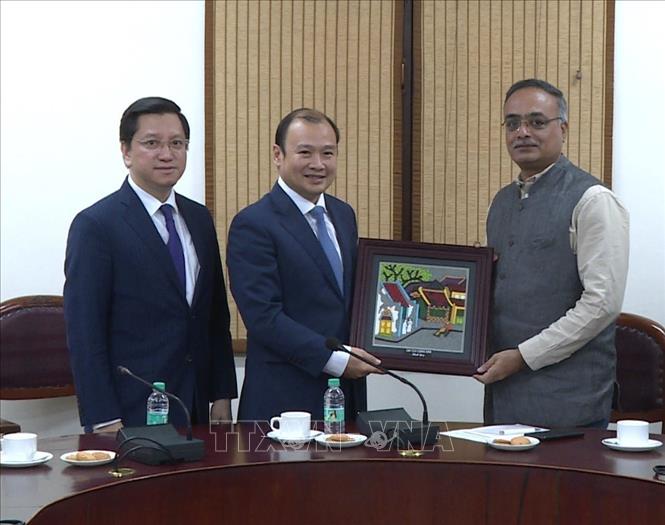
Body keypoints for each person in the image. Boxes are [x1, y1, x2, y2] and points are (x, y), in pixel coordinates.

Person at [64, 97, 237, 432]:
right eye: (152, 143)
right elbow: (85, 333)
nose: (166, 154)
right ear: (126, 152)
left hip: (198, 406)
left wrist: (222, 393)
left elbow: (215, 316)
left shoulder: (199, 218)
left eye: (177, 143)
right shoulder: (97, 226)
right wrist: (103, 417)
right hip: (131, 409)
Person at [473, 79, 629, 428]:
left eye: (537, 122)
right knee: (503, 482)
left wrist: (525, 357)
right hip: (504, 390)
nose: (522, 132)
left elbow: (602, 304)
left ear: (563, 128)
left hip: (568, 396)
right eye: (512, 123)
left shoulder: (594, 200)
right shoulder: (501, 202)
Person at [226, 108, 380, 422]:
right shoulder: (253, 224)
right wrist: (335, 360)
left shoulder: (343, 214)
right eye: (305, 152)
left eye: (328, 153)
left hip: (346, 398)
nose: (318, 164)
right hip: (283, 401)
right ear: (277, 155)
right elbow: (263, 317)